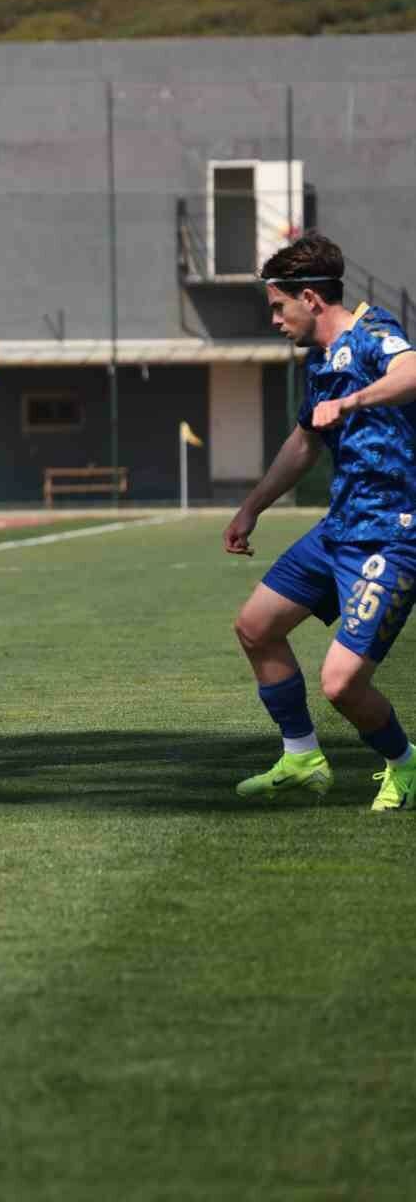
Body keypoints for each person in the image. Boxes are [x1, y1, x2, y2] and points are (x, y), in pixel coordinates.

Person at [224, 231, 416, 811]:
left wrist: (353, 401)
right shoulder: (320, 362)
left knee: (341, 684)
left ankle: (406, 764)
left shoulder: (373, 331)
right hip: (339, 529)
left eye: (278, 307)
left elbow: (412, 372)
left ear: (309, 298)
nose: (275, 320)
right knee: (255, 627)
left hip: (391, 535)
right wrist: (252, 508)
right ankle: (302, 757)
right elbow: (304, 443)